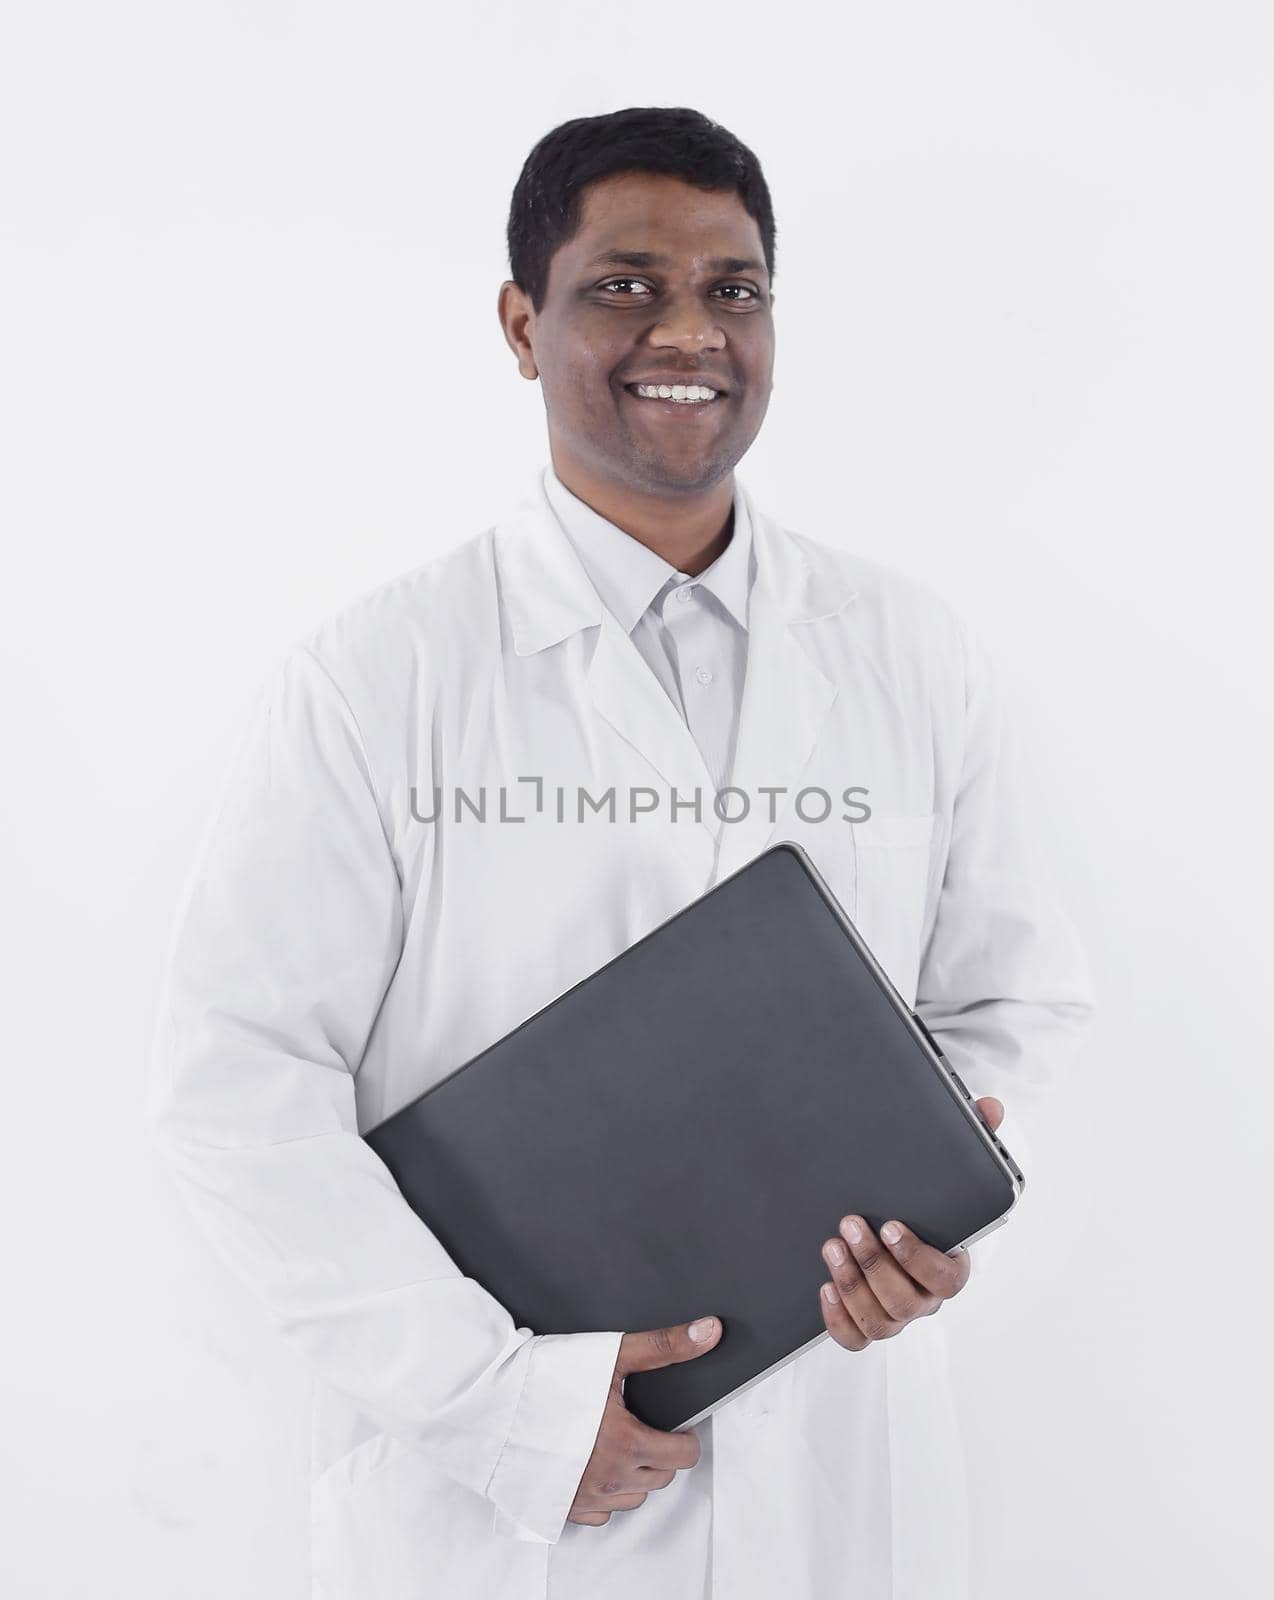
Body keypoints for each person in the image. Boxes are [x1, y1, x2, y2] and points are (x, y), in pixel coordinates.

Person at [147, 106, 1096, 1600]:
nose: (689, 332)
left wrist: (933, 1198)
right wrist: (495, 1406)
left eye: (734, 290)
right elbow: (238, 1087)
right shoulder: (377, 677)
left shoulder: (907, 653)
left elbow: (1008, 1007)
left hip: (836, 1470)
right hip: (503, 1507)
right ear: (522, 325)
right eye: (622, 285)